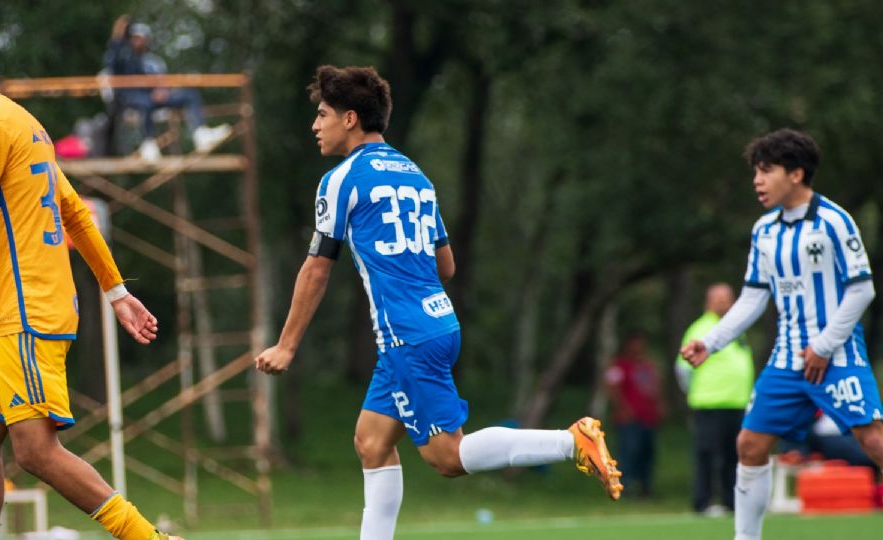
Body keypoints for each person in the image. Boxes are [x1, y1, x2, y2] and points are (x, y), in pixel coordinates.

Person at [255, 65, 623, 539]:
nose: (315, 125)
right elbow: (445, 267)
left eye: (322, 114)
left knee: (447, 457)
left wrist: (286, 346)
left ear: (350, 119)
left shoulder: (340, 180)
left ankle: (568, 441)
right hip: (435, 324)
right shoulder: (417, 176)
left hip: (406, 334)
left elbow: (316, 268)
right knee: (371, 442)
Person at [0, 24, 181, 540]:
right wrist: (116, 292)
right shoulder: (23, 122)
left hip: (27, 312)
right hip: (2, 316)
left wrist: (115, 292)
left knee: (36, 452)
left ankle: (148, 539)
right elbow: (77, 217)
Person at [680, 128, 883, 540]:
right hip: (787, 361)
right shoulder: (764, 231)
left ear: (795, 174)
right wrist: (712, 341)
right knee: (750, 445)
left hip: (837, 356)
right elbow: (753, 299)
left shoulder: (833, 221)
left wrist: (825, 345)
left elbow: (863, 289)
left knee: (873, 442)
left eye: (766, 170)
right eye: (755, 171)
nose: (757, 180)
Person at [103, 14, 230, 161]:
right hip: (132, 99)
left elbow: (160, 80)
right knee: (146, 103)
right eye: (135, 38)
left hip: (154, 97)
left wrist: (162, 90)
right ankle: (148, 145)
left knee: (189, 95)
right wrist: (117, 37)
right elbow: (112, 63)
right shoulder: (123, 56)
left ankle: (201, 135)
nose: (138, 41)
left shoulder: (152, 61)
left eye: (141, 38)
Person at [675, 283, 755, 515]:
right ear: (707, 302)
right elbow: (683, 369)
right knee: (707, 454)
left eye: (726, 298)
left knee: (735, 455)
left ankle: (731, 502)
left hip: (737, 403)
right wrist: (693, 393)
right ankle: (703, 502)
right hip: (709, 403)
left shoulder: (736, 329)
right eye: (717, 298)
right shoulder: (701, 328)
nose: (722, 302)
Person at [604, 335, 663, 497]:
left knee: (647, 453)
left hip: (648, 417)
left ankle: (646, 488)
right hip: (629, 419)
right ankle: (624, 488)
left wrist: (659, 406)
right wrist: (622, 408)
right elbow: (612, 388)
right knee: (629, 452)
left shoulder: (648, 365)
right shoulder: (619, 366)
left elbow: (655, 387)